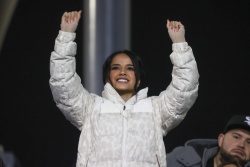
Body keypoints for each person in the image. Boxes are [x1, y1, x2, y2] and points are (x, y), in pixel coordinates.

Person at [49, 10, 199, 167]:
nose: (122, 72)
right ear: (107, 77)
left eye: (130, 68)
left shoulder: (156, 110)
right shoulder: (91, 108)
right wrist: (66, 35)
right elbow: (62, 83)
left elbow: (185, 87)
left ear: (139, 79)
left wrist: (180, 43)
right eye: (115, 68)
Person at [166, 115, 250, 167]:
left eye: (249, 142)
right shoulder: (180, 158)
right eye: (236, 137)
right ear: (221, 139)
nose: (242, 145)